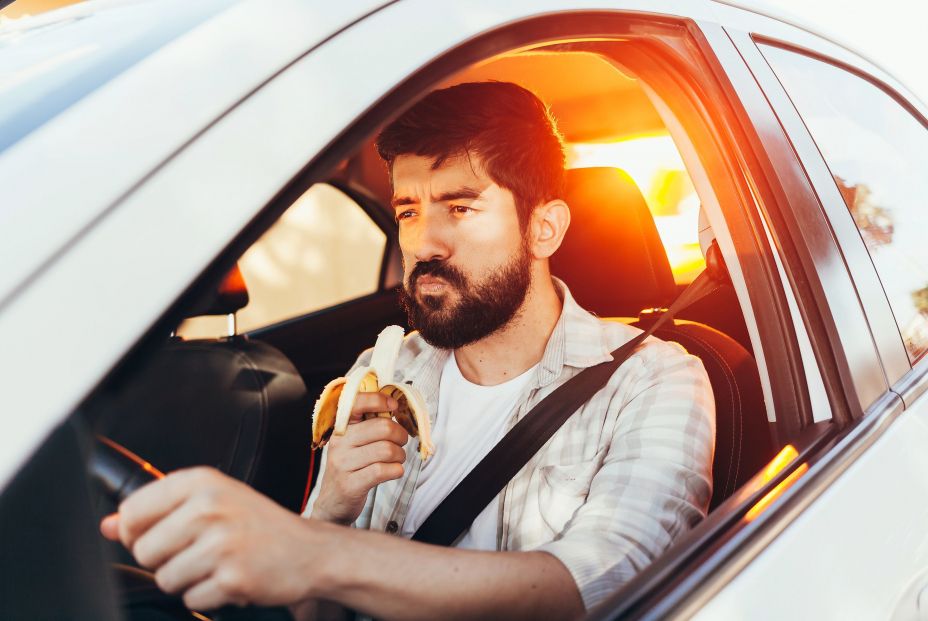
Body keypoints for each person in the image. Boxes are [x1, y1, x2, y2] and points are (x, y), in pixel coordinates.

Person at [101, 81, 715, 621]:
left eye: (460, 207)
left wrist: (317, 551)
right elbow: (310, 613)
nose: (423, 243)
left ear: (543, 228)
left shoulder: (654, 381)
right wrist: (331, 509)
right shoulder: (382, 373)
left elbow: (603, 587)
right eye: (408, 210)